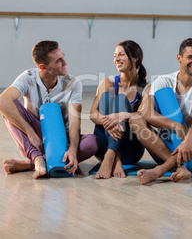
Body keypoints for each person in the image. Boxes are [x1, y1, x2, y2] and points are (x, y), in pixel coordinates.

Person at [0, 40, 98, 179]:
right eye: (59, 61)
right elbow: (3, 102)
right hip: (34, 141)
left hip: (61, 138)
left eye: (63, 57)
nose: (65, 63)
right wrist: (31, 133)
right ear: (43, 67)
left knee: (92, 142)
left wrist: (73, 149)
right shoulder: (28, 77)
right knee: (9, 103)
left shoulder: (73, 83)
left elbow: (74, 121)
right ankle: (37, 158)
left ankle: (29, 164)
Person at [129, 38, 192, 185]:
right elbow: (146, 113)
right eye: (190, 57)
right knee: (135, 120)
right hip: (165, 149)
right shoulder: (163, 81)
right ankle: (181, 167)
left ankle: (161, 170)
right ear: (179, 58)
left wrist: (188, 140)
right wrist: (176, 126)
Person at [89, 40, 147, 179]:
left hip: (131, 149)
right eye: (115, 56)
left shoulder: (145, 88)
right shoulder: (108, 83)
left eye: (121, 55)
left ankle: (111, 156)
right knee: (106, 98)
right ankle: (113, 156)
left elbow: (145, 116)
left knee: (121, 99)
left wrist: (122, 115)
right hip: (103, 145)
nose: (116, 59)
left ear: (135, 57)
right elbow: (93, 114)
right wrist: (108, 122)